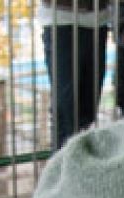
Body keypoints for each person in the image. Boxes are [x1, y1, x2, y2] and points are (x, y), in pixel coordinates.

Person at [39, 0, 114, 149]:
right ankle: (63, 166)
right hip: (61, 19)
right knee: (65, 107)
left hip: (98, 20)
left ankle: (80, 162)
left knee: (89, 106)